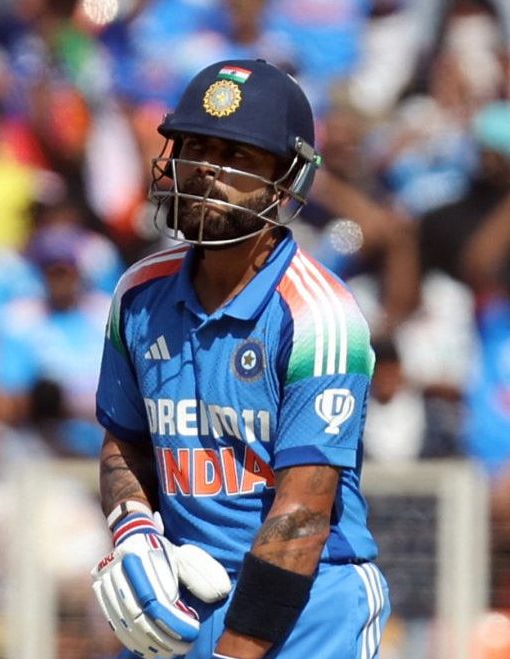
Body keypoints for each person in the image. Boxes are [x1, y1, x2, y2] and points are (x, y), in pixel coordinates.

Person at [89, 59, 389, 658]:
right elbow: (125, 442)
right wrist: (135, 533)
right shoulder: (138, 293)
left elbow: (302, 516)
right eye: (195, 147)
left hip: (309, 605)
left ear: (286, 182)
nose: (206, 171)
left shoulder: (319, 317)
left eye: (237, 156)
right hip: (184, 600)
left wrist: (234, 653)